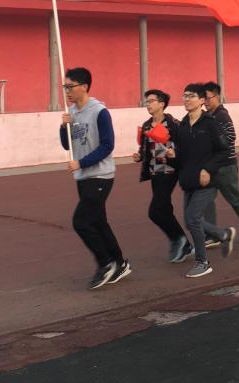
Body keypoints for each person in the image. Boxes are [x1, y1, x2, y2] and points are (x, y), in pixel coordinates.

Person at [59, 67, 129, 289]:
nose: (67, 91)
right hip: (83, 177)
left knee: (81, 222)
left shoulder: (99, 112)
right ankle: (120, 263)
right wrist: (63, 127)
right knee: (98, 221)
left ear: (84, 87)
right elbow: (67, 145)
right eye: (65, 87)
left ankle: (105, 263)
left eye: (70, 87)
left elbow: (108, 145)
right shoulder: (72, 112)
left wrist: (81, 162)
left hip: (100, 176)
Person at [173, 83, 235, 278]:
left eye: (191, 96)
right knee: (190, 220)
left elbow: (224, 150)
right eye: (184, 96)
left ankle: (203, 262)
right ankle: (223, 234)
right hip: (188, 181)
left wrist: (208, 169)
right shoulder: (183, 125)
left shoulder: (210, 123)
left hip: (208, 182)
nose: (186, 99)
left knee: (192, 218)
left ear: (201, 100)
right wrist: (173, 155)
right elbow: (182, 155)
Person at [133, 88, 191, 264]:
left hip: (169, 171)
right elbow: (145, 148)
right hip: (154, 172)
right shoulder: (146, 125)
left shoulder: (173, 124)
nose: (148, 104)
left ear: (161, 104)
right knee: (164, 209)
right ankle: (181, 242)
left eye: (151, 101)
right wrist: (139, 156)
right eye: (147, 101)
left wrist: (176, 152)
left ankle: (179, 239)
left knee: (155, 211)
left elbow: (185, 145)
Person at [202, 81, 239, 244]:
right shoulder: (207, 116)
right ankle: (212, 234)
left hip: (226, 166)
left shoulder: (221, 115)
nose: (205, 102)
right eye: (203, 98)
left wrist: (211, 141)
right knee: (206, 200)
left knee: (234, 198)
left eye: (208, 98)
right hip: (211, 167)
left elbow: (231, 137)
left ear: (217, 97)